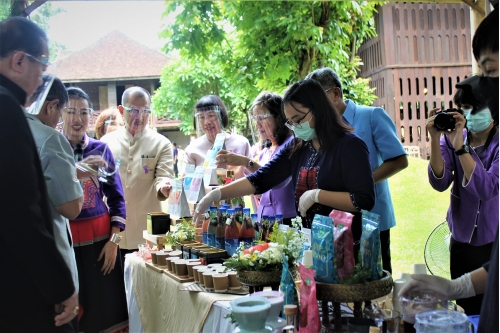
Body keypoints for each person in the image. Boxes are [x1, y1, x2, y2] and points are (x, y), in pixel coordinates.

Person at [194, 79, 375, 244]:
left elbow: (363, 200)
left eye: (299, 119)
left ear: (319, 109)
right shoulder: (298, 147)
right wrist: (217, 194)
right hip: (309, 244)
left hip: (345, 246)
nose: (295, 128)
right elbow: (262, 178)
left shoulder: (350, 146)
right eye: (290, 122)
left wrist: (317, 195)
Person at [0, 16, 78, 331]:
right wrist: (60, 286)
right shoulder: (6, 108)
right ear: (20, 61)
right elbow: (20, 212)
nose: (40, 80)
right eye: (41, 67)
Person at [424, 6, 498, 319]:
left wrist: (463, 147)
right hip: (460, 239)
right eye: (464, 109)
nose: (469, 115)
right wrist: (434, 140)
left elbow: (487, 188)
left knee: (489, 309)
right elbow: (439, 182)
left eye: (475, 108)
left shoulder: (491, 145)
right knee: (466, 313)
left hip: (489, 240)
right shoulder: (455, 138)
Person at [305, 67, 408, 274]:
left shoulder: (371, 116)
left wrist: (361, 183)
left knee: (374, 281)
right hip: (336, 221)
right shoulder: (323, 129)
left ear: (336, 94)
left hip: (371, 218)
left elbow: (399, 160)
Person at [62, 86, 129, 332]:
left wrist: (114, 242)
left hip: (102, 243)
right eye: (71, 111)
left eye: (83, 112)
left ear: (91, 115)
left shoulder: (101, 150)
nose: (77, 118)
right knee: (73, 311)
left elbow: (117, 199)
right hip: (66, 243)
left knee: (107, 310)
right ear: (60, 114)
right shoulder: (52, 150)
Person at [26, 75, 84, 332]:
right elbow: (71, 207)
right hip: (51, 263)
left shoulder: (14, 129)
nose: (60, 121)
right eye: (62, 112)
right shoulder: (50, 138)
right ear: (52, 106)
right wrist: (74, 178)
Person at [101, 86, 174, 262]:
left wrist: (164, 187)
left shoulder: (161, 144)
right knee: (115, 284)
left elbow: (163, 176)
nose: (140, 117)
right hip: (112, 232)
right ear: (121, 110)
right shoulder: (106, 143)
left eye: (145, 111)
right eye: (133, 110)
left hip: (145, 234)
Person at [215, 91, 297, 224]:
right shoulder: (265, 152)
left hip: (287, 220)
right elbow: (259, 194)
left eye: (261, 118)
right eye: (255, 119)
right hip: (265, 221)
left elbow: (270, 178)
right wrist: (238, 169)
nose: (257, 124)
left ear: (279, 117)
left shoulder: (291, 145)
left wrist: (245, 162)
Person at [184, 95, 251, 178]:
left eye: (211, 115)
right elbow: (187, 182)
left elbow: (252, 178)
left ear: (221, 116)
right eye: (201, 117)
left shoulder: (241, 143)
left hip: (238, 190)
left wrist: (234, 174)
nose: (207, 122)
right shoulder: (192, 149)